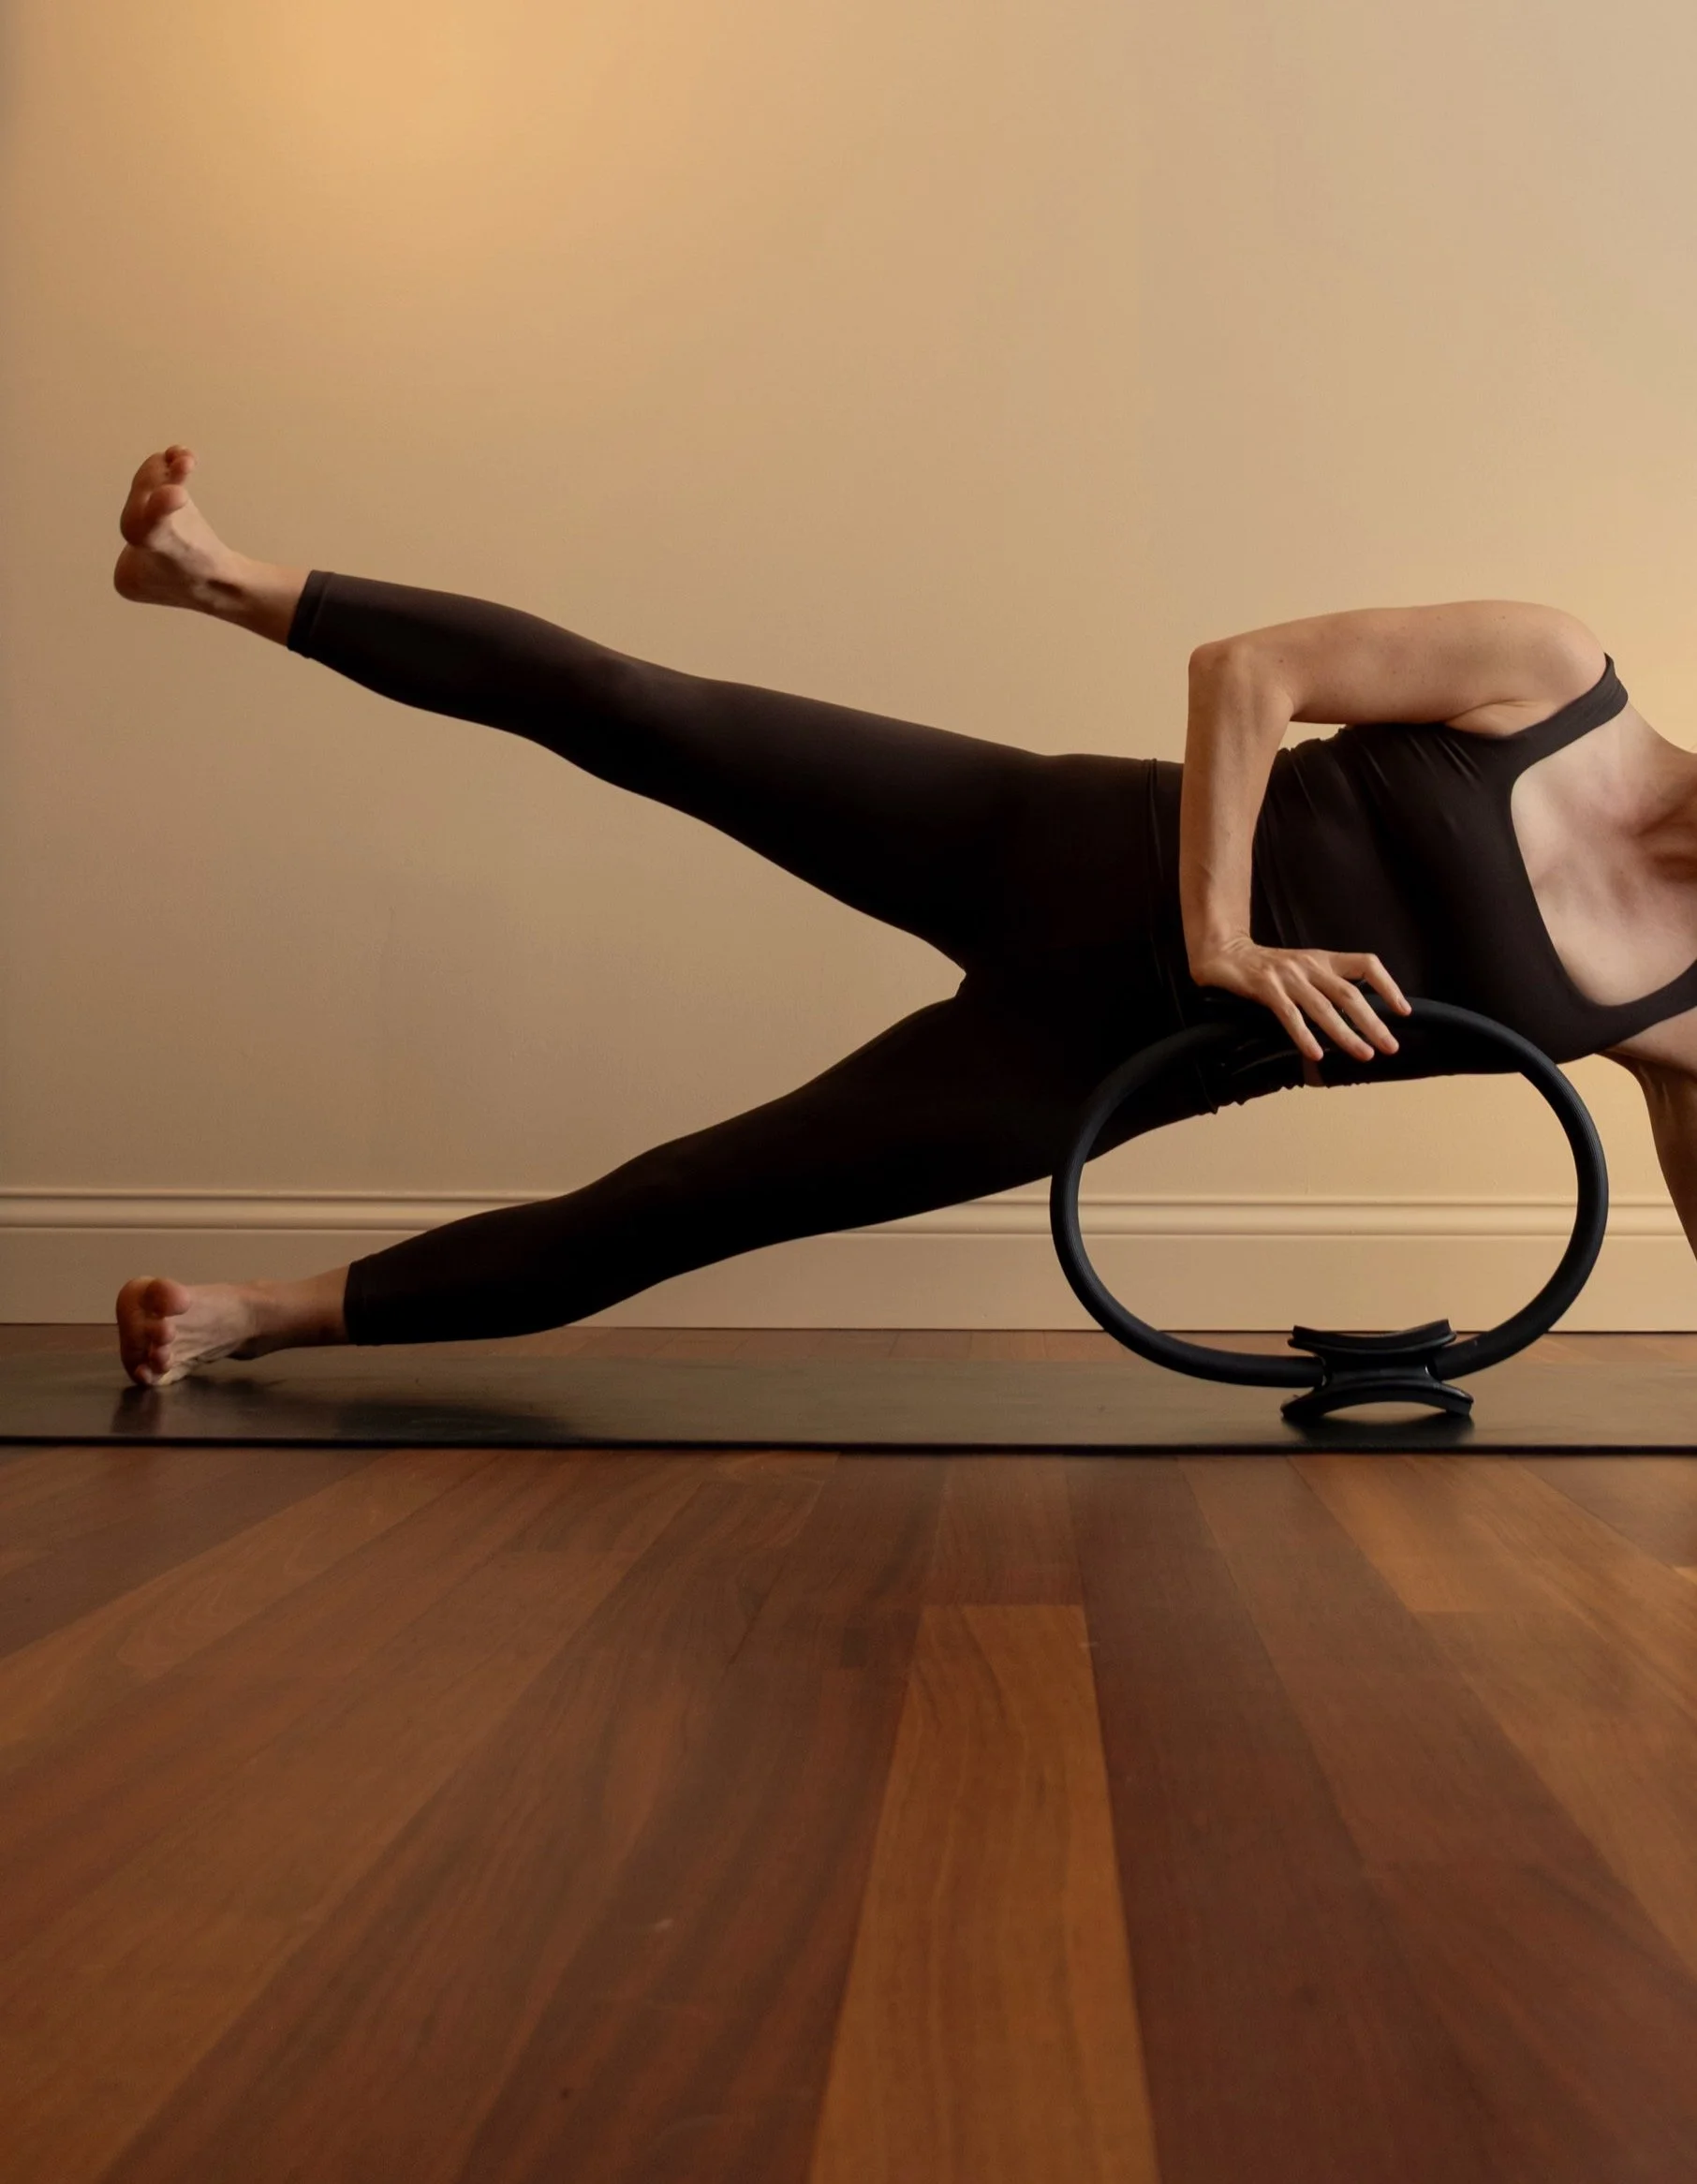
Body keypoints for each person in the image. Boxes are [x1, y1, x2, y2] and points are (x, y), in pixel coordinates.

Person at [110, 447, 1697, 1386]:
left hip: (1098, 1065)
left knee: (692, 1204)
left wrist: (1208, 985)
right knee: (636, 707)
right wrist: (1221, 934)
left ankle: (255, 1321)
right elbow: (1247, 672)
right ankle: (213, 576)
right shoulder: (1552, 675)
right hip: (1053, 840)